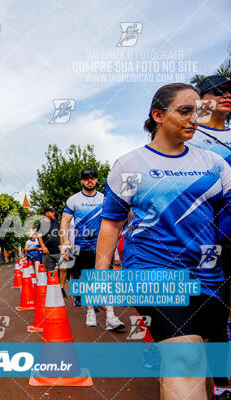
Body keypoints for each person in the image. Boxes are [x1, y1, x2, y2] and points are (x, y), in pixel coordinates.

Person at [97, 83, 231, 400]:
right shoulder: (130, 165)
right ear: (158, 115)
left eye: (197, 111)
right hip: (152, 273)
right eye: (184, 111)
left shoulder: (214, 165)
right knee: (185, 361)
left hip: (209, 278)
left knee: (190, 358)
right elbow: (112, 223)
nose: (193, 119)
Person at [186, 74, 231, 398]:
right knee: (211, 317)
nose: (227, 95)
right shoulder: (188, 139)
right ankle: (220, 384)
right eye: (219, 91)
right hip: (203, 239)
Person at [61, 168, 125, 331]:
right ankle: (90, 312)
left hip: (103, 246)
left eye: (93, 178)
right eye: (86, 178)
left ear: (96, 180)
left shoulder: (105, 199)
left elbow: (115, 220)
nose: (90, 181)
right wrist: (66, 241)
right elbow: (65, 223)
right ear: (82, 181)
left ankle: (111, 316)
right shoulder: (73, 200)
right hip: (81, 247)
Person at [36, 206, 60, 271]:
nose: (53, 213)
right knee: (48, 273)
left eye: (54, 211)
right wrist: (43, 247)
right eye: (51, 211)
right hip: (48, 253)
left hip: (59, 251)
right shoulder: (42, 223)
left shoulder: (56, 222)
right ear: (46, 213)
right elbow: (39, 236)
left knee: (63, 271)